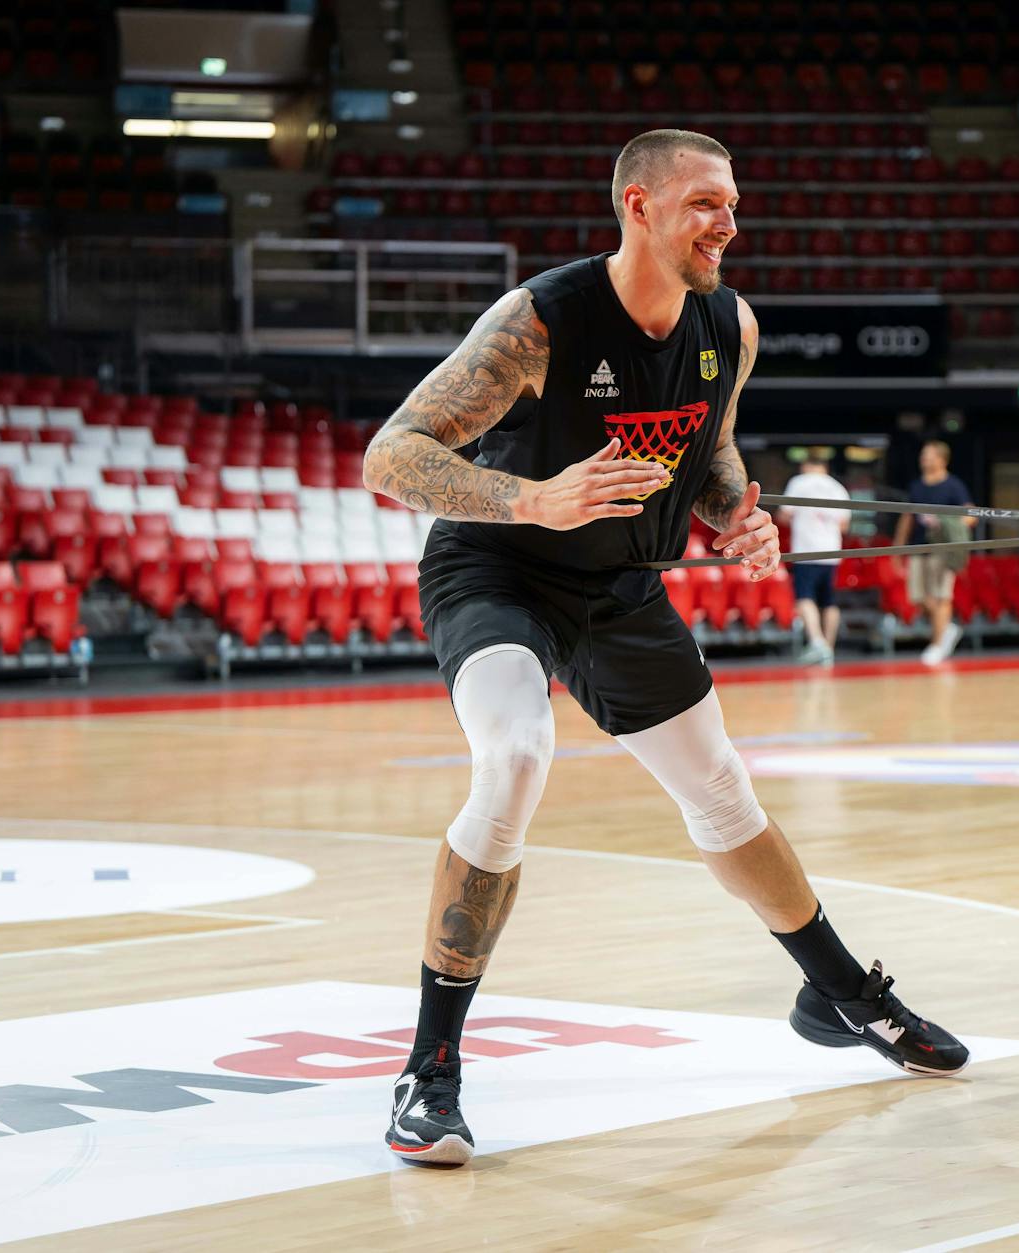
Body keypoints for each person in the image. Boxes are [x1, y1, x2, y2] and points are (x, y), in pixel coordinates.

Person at [363, 129, 968, 1166]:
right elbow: (392, 454)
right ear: (636, 208)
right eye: (703, 205)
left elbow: (712, 448)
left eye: (730, 204)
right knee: (512, 756)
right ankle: (430, 1067)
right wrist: (531, 498)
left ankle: (838, 995)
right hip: (499, 570)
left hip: (622, 588)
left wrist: (738, 516)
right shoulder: (541, 319)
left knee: (724, 795)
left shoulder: (726, 323)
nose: (726, 224)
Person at [893, 439, 974, 665]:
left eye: (928, 455)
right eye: (922, 455)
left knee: (941, 596)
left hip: (944, 549)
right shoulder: (917, 486)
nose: (924, 459)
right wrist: (897, 549)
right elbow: (907, 517)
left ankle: (938, 645)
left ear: (941, 459)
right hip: (920, 547)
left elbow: (970, 515)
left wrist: (949, 524)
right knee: (918, 597)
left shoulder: (953, 485)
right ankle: (947, 629)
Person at [778, 451, 849, 665]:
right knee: (829, 600)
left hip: (807, 550)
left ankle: (817, 642)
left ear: (805, 466)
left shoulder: (799, 482)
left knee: (804, 597)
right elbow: (845, 525)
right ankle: (828, 648)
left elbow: (783, 515)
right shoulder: (837, 487)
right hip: (831, 551)